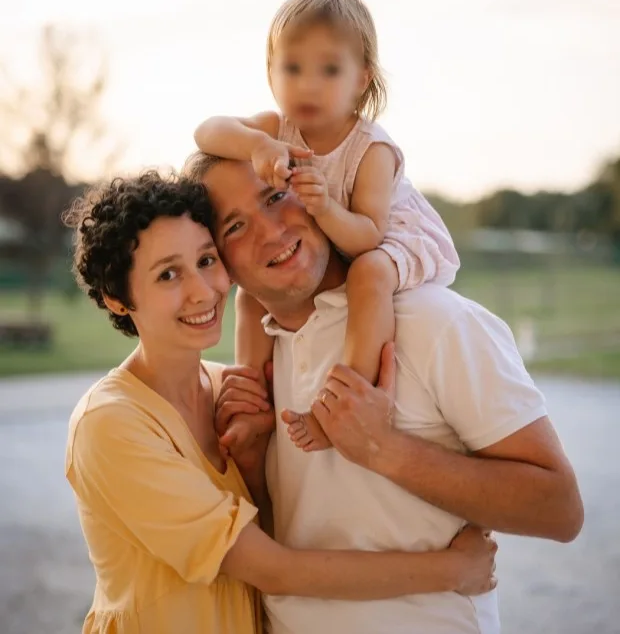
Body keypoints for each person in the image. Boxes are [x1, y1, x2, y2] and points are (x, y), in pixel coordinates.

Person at [62, 171, 497, 634]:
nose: (203, 290)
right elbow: (271, 569)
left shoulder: (230, 390)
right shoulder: (111, 422)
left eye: (206, 260)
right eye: (168, 274)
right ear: (118, 299)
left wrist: (253, 462)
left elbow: (272, 532)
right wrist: (452, 571)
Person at [183, 151, 584, 634]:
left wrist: (385, 450)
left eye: (276, 196)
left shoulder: (435, 322)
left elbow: (560, 509)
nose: (270, 230)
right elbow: (281, 549)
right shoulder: (260, 363)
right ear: (220, 264)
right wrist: (252, 462)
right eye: (234, 226)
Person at [194, 0, 460, 451]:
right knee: (252, 297)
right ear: (271, 73)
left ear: (362, 79)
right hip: (336, 230)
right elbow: (206, 132)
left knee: (368, 275)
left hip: (387, 237)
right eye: (292, 68)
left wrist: (325, 208)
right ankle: (250, 402)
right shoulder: (278, 127)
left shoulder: (371, 150)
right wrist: (256, 145)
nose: (308, 85)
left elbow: (367, 236)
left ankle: (344, 406)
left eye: (329, 70)